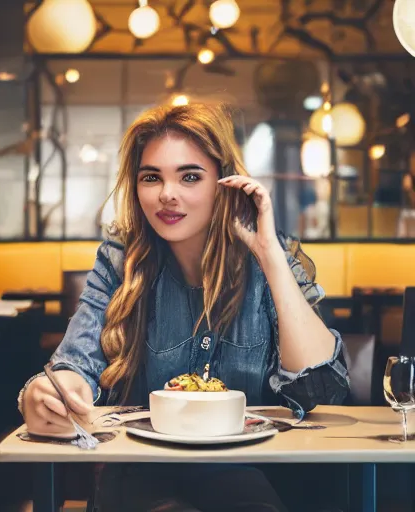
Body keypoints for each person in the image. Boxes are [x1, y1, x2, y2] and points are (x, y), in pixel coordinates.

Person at [18, 103, 350, 512]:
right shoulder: (121, 259)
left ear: (224, 183)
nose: (166, 194)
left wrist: (270, 258)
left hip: (254, 473)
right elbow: (74, 368)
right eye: (151, 178)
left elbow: (321, 390)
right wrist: (50, 394)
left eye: (190, 176)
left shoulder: (272, 258)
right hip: (143, 470)